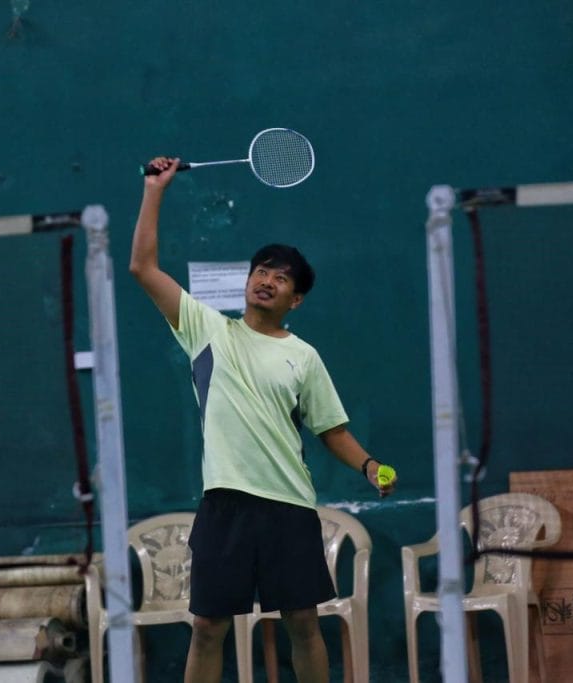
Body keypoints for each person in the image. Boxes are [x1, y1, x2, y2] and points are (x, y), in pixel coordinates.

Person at [130, 156, 396, 683]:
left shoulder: (304, 356)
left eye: (281, 278)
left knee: (302, 623)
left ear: (295, 299)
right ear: (248, 280)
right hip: (224, 501)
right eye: (262, 271)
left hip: (288, 506)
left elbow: (331, 430)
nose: (268, 280)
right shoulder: (206, 329)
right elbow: (142, 267)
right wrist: (155, 189)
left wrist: (368, 465)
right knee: (207, 626)